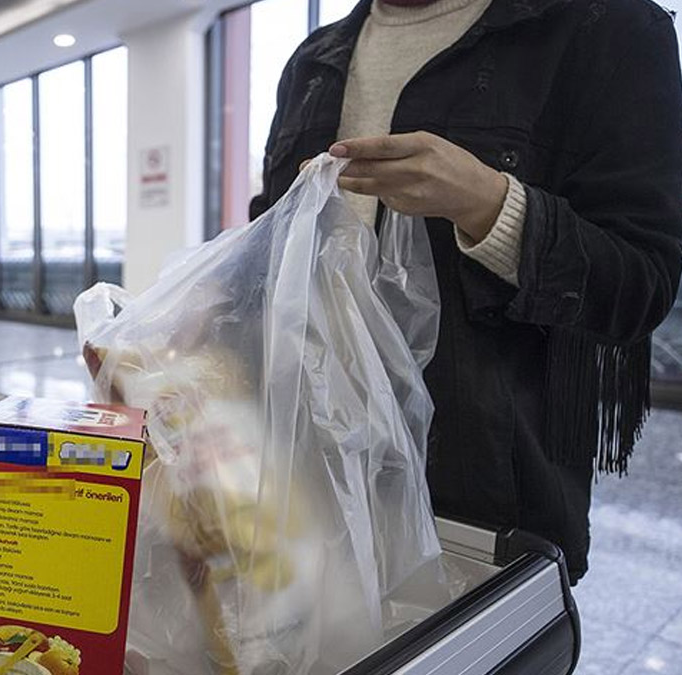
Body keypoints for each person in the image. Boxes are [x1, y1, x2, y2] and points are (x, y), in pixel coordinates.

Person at [250, 0, 682, 584]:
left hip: (481, 524)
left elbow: (639, 284)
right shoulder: (314, 62)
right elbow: (271, 244)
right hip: (303, 494)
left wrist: (489, 205)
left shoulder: (604, 29)